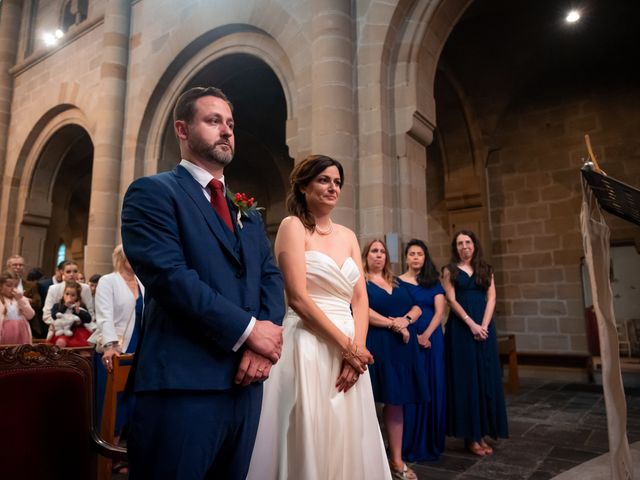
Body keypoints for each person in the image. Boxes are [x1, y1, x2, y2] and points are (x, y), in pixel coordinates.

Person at [121, 86, 285, 479]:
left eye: (230, 124)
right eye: (213, 121)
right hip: (183, 388)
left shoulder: (247, 211)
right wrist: (249, 331)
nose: (226, 131)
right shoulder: (154, 193)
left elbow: (270, 276)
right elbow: (171, 278)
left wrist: (265, 342)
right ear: (182, 128)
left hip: (246, 385)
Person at [247, 155, 391, 480]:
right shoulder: (292, 227)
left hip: (351, 349)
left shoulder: (349, 235)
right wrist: (347, 347)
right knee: (309, 428)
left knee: (348, 432)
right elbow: (297, 298)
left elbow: (360, 298)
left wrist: (357, 351)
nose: (333, 187)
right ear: (304, 185)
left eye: (337, 182)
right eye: (324, 180)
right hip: (309, 343)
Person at [363, 239, 426, 480]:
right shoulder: (362, 282)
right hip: (376, 346)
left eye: (382, 251)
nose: (378, 255)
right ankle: (369, 458)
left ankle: (397, 459)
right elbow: (362, 311)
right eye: (373, 251)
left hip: (401, 350)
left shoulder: (396, 281)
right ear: (366, 255)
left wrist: (405, 321)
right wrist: (393, 324)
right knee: (369, 403)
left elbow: (417, 308)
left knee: (396, 402)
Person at [442, 230, 508, 456]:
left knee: (485, 378)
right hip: (461, 329)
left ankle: (483, 433)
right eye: (459, 243)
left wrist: (484, 325)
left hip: (484, 329)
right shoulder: (449, 270)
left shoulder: (486, 269)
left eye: (468, 242)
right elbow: (451, 300)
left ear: (474, 244)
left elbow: (492, 297)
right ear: (456, 247)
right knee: (467, 381)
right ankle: (471, 438)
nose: (464, 246)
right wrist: (471, 324)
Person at [398, 239, 447, 461]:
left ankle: (431, 441)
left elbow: (439, 312)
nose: (416, 257)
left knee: (433, 386)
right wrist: (414, 334)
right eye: (412, 254)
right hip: (408, 339)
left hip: (433, 338)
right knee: (411, 387)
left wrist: (426, 335)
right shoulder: (397, 282)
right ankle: (407, 443)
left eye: (420, 254)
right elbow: (400, 310)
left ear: (425, 257)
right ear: (406, 257)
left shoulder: (433, 283)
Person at [93, 245, 144, 440]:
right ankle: (106, 449)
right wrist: (110, 346)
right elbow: (105, 316)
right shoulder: (109, 281)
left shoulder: (142, 283)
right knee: (111, 401)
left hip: (138, 347)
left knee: (132, 400)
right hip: (114, 348)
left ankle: (124, 448)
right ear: (121, 258)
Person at [42, 260, 94, 326]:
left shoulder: (85, 288)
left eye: (75, 271)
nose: (72, 274)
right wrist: (62, 324)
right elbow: (47, 315)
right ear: (62, 272)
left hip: (80, 326)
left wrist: (78, 322)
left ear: (78, 272)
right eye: (68, 272)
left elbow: (90, 312)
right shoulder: (53, 289)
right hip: (57, 327)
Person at [6, 255, 43, 337]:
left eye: (21, 265)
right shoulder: (2, 285)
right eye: (15, 265)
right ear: (8, 267)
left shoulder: (31, 285)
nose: (18, 267)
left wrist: (24, 300)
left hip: (26, 323)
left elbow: (37, 303)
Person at [47, 281, 92, 347]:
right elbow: (54, 315)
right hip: (62, 332)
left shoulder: (80, 306)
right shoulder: (58, 305)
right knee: (60, 343)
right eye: (67, 294)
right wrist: (64, 306)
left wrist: (78, 312)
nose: (69, 297)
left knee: (83, 347)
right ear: (63, 294)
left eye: (73, 295)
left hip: (78, 333)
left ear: (78, 297)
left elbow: (88, 319)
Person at [0, 271, 34, 344]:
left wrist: (20, 300)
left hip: (21, 332)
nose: (13, 288)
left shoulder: (21, 299)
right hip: (4, 333)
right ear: (1, 286)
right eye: (9, 285)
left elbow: (30, 315)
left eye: (15, 286)